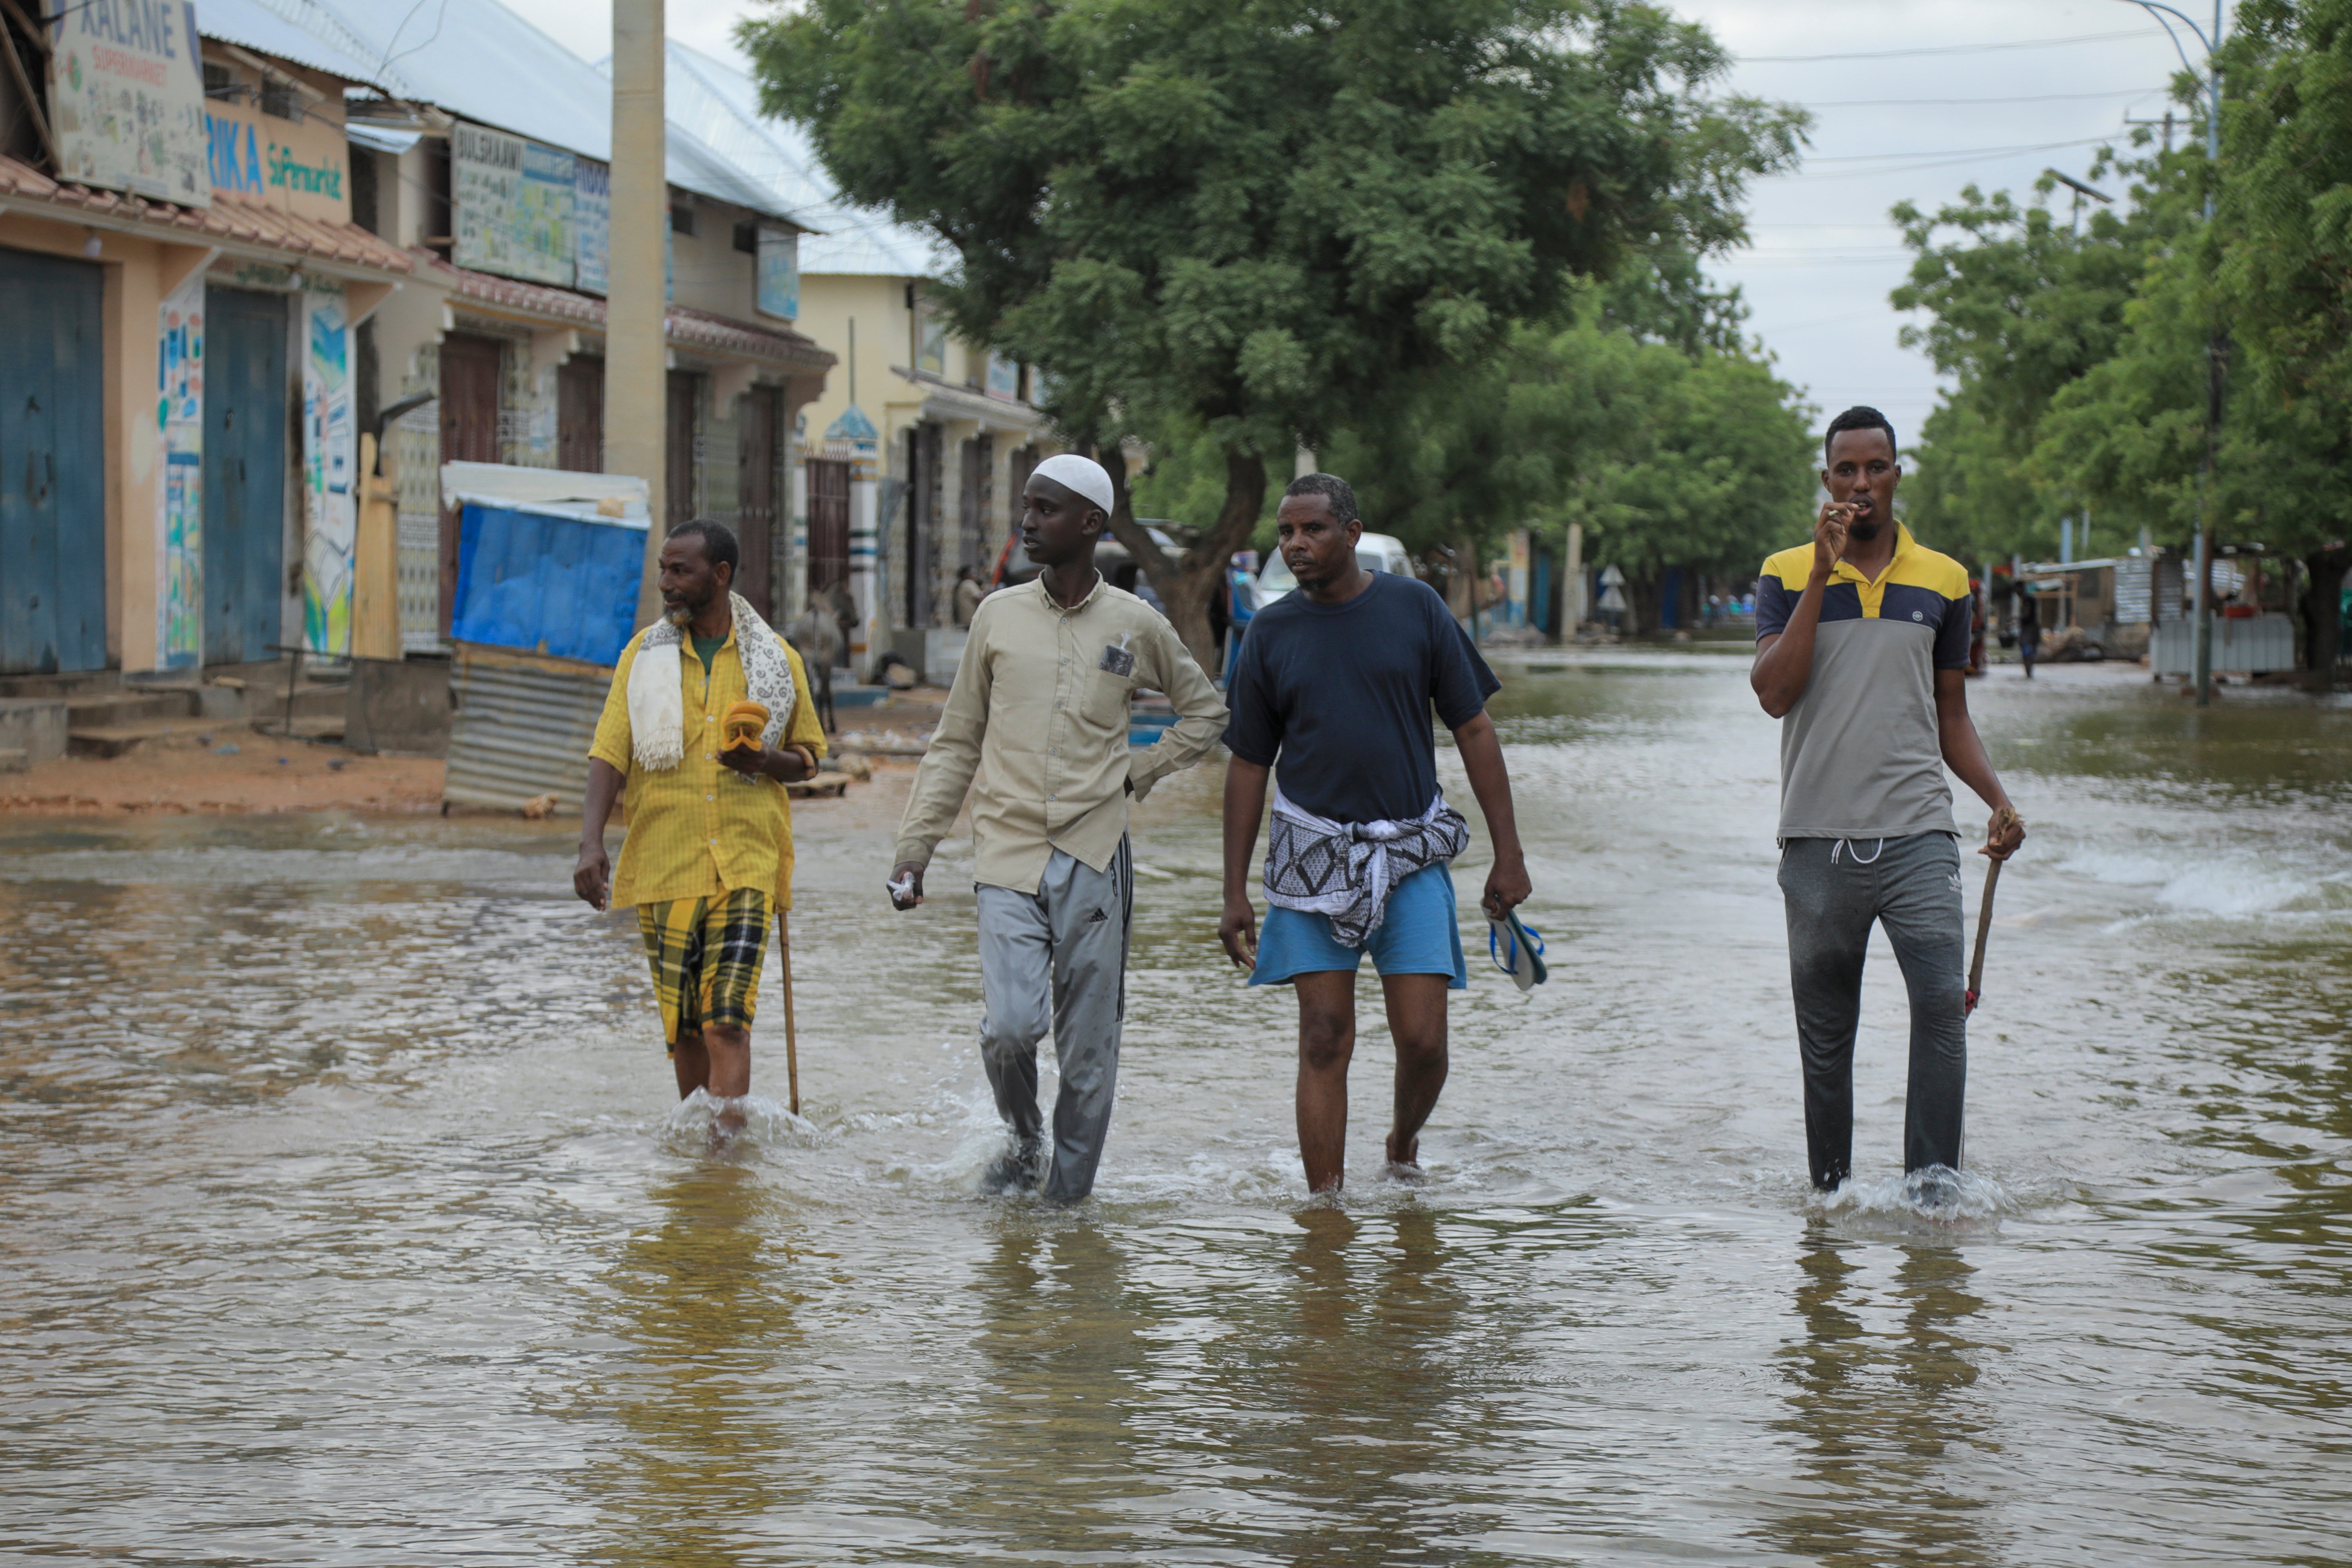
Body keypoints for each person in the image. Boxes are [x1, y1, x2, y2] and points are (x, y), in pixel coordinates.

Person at [889, 453, 1229, 1201]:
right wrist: (916, 850)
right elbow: (955, 742)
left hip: (1094, 853)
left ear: (1090, 523)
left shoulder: (1135, 624)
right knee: (1010, 1030)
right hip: (1005, 850)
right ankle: (1024, 1137)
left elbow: (1206, 712)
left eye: (1045, 509)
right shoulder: (996, 617)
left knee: (1088, 1051)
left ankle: (1066, 1209)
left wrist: (1139, 772)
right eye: (1027, 506)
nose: (1028, 521)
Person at [1218, 473, 1532, 1195]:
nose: (1296, 544)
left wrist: (1508, 853)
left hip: (1410, 852)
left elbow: (1475, 728)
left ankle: (1400, 1141)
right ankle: (1324, 1219)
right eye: (1285, 532)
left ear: (1352, 533)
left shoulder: (1415, 609)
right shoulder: (1269, 632)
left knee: (1424, 1040)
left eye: (1312, 530)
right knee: (1324, 1036)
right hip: (1309, 858)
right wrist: (1233, 890)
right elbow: (1246, 765)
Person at [1750, 407, 2026, 1195]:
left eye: (1875, 468)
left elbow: (1950, 715)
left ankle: (1931, 1198)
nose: (1860, 484)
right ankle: (1829, 1205)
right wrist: (1817, 574)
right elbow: (1773, 693)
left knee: (1942, 1005)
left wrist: (1998, 802)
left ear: (1896, 474)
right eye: (1845, 470)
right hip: (1814, 841)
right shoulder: (1781, 571)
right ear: (1826, 479)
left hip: (1918, 835)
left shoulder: (1943, 579)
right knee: (1825, 1038)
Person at [574, 521, 827, 1125]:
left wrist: (764, 759)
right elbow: (610, 752)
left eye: (680, 571)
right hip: (664, 862)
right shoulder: (641, 657)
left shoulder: (776, 658)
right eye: (662, 569)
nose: (666, 583)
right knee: (684, 1029)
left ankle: (725, 1165)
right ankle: (700, 1155)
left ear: (720, 574)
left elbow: (809, 757)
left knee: (726, 1020)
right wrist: (591, 844)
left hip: (745, 863)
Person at [2016, 588, 2041, 679]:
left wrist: (2016, 620)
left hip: (2029, 631)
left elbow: (2026, 614)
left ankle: (2029, 675)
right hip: (2032, 631)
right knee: (2030, 655)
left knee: (2027, 655)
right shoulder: (2030, 599)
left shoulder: (2027, 601)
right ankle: (2029, 675)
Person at [952, 565, 985, 629]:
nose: (976, 576)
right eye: (973, 573)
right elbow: (982, 600)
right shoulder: (969, 583)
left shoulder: (962, 585)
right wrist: (983, 590)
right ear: (966, 575)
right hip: (971, 621)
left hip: (965, 621)